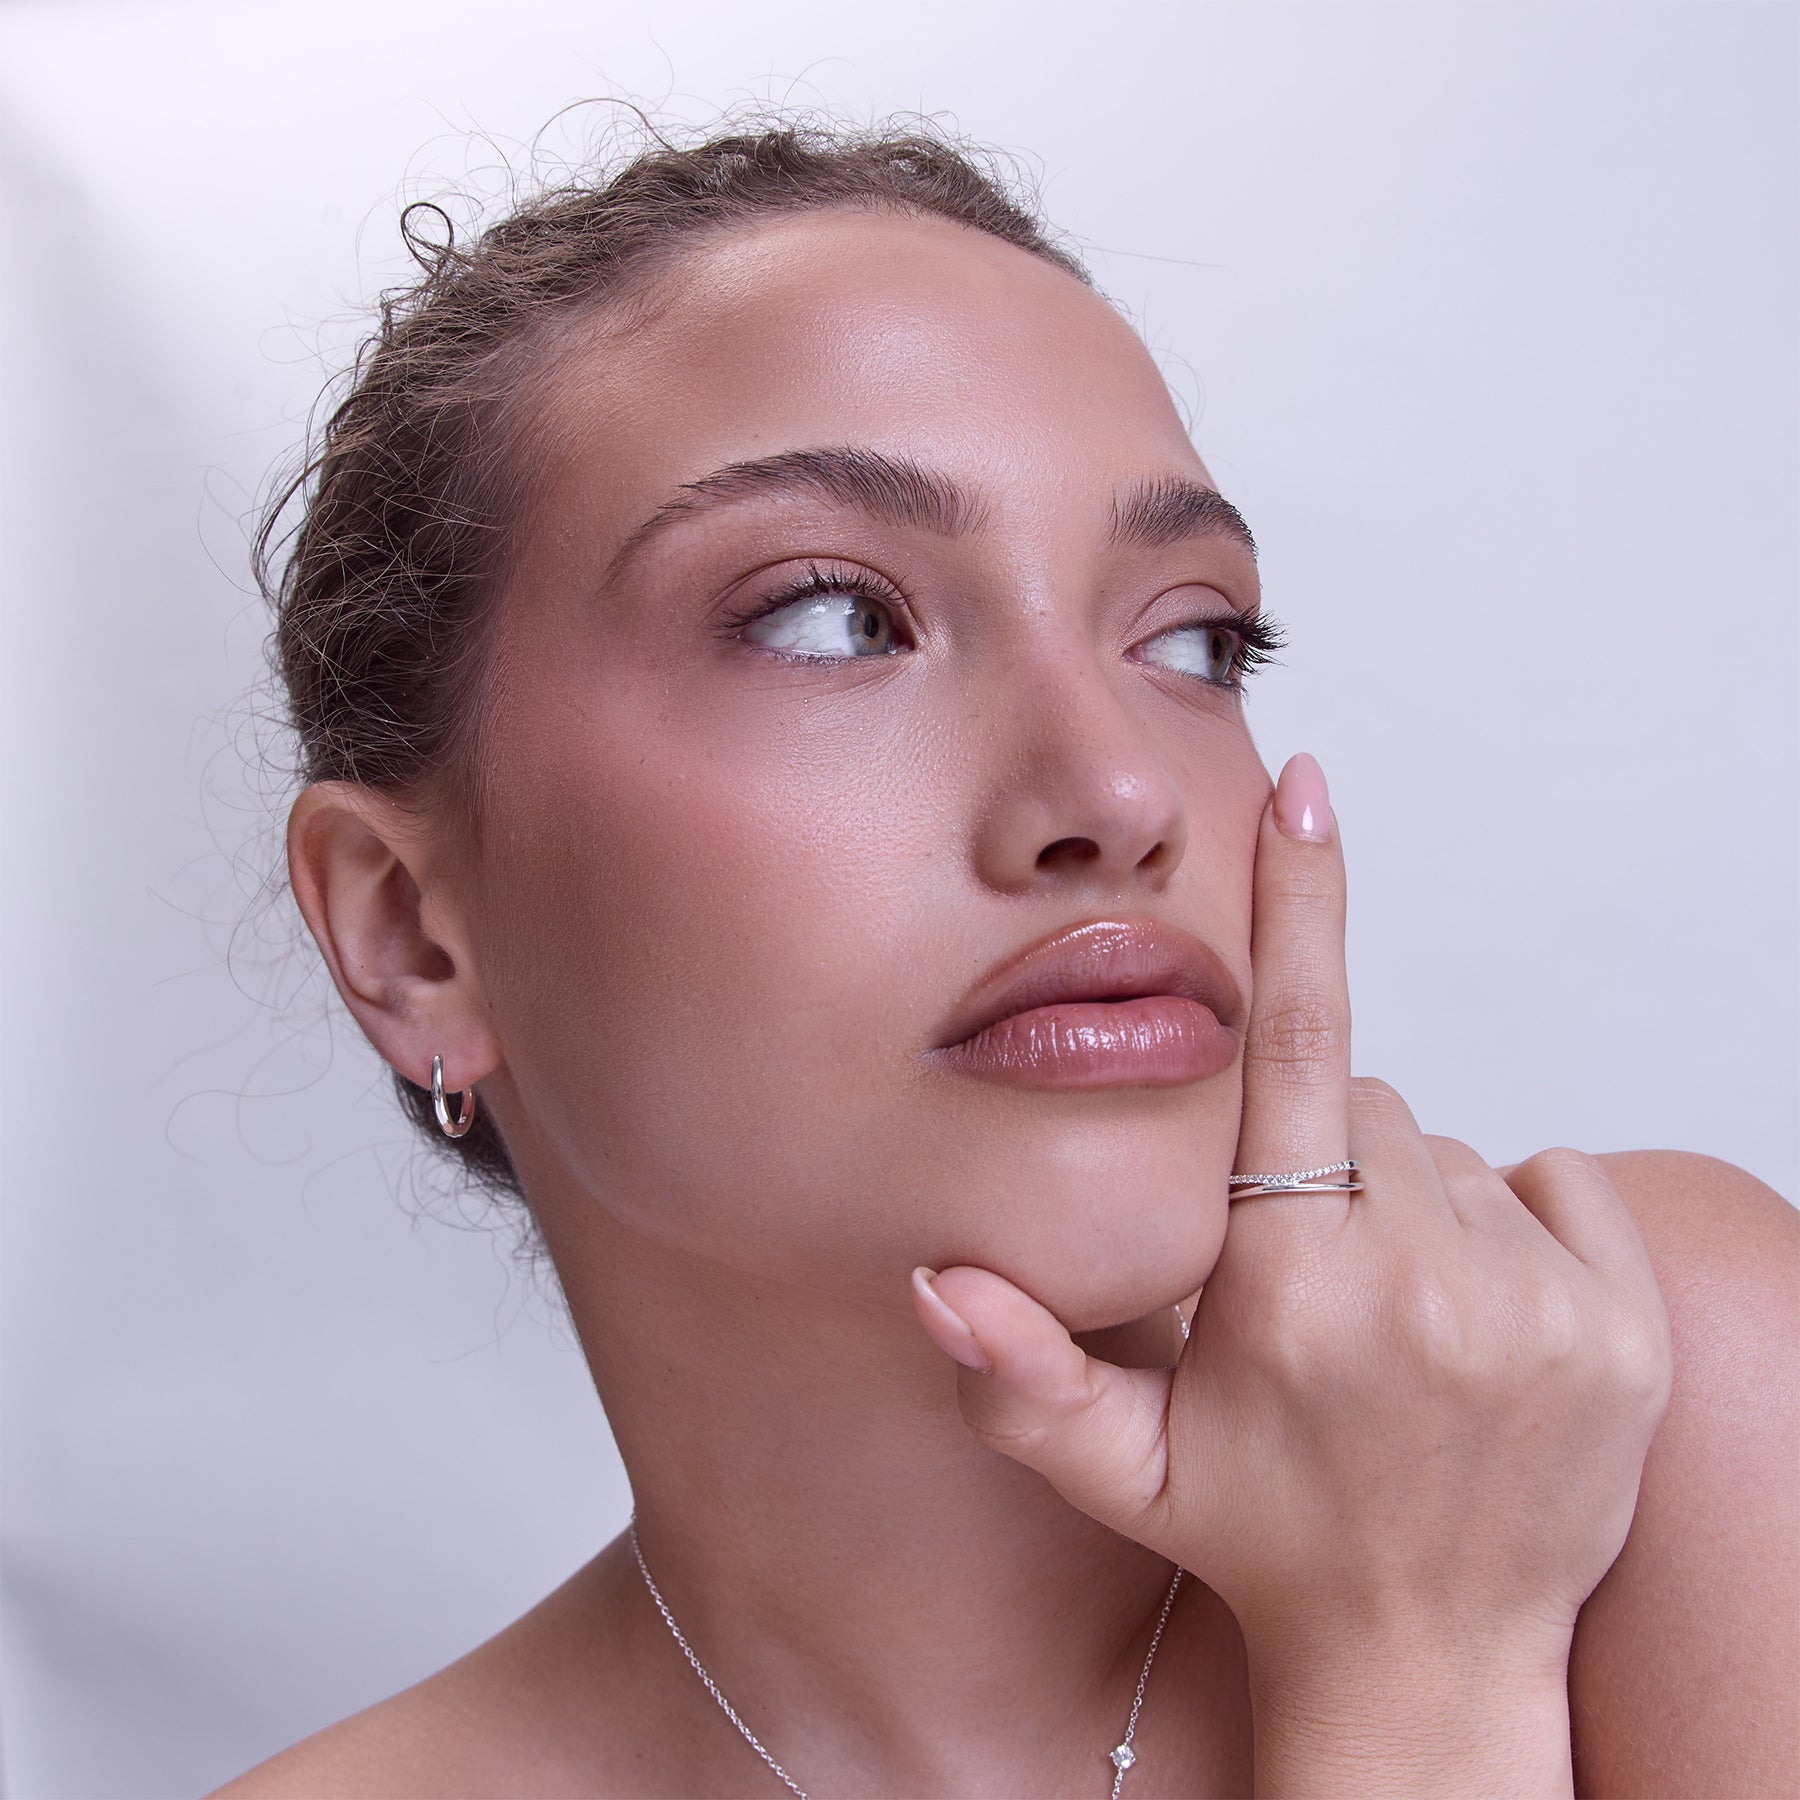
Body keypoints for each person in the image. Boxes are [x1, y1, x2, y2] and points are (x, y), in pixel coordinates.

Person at [214, 117, 1797, 1798]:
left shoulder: (1663, 1394)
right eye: (834, 619)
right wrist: (1415, 1671)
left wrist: (1432, 1636)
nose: (1117, 795)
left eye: (1195, 640)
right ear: (409, 934)